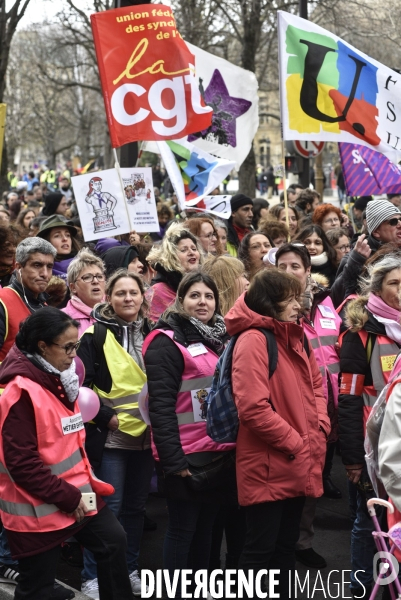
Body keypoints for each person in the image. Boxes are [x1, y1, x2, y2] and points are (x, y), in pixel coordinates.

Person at [0, 308, 133, 600]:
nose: (75, 354)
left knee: (113, 542)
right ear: (42, 346)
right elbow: (21, 465)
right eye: (68, 347)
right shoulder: (21, 392)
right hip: (38, 509)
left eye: (76, 346)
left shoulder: (62, 379)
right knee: (37, 588)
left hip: (75, 494)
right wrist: (68, 497)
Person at [225, 269, 329, 599]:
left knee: (284, 549)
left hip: (295, 458)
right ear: (271, 303)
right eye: (291, 299)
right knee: (259, 553)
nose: (299, 305)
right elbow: (253, 407)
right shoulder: (254, 339)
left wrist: (321, 427)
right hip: (271, 462)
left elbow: (317, 385)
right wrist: (296, 442)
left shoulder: (293, 334)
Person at [143, 272, 235, 599]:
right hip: (185, 455)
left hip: (218, 451)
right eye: (195, 296)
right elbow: (161, 408)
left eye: (208, 296)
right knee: (183, 531)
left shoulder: (218, 337)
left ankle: (202, 590)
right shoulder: (166, 342)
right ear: (181, 300)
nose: (203, 302)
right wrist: (173, 462)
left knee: (207, 528)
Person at [77, 270, 153, 598]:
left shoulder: (156, 332)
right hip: (110, 437)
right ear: (109, 297)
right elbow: (79, 384)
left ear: (142, 296)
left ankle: (130, 569)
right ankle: (93, 576)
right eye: (120, 293)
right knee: (109, 507)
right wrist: (105, 416)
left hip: (147, 436)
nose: (127, 299)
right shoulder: (93, 336)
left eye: (133, 292)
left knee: (136, 508)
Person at [338, 255, 401, 599]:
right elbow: (348, 399)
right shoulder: (360, 335)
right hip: (372, 450)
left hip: (400, 449)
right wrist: (351, 458)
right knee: (369, 523)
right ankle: (362, 589)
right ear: (377, 289)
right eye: (394, 283)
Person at [276, 243, 342, 568]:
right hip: (290, 411)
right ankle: (281, 546)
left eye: (296, 266)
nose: (289, 272)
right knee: (287, 483)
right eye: (282, 266)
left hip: (327, 409)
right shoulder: (271, 309)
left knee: (313, 480)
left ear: (307, 271)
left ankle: (302, 541)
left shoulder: (328, 305)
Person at [0, 237, 56, 360]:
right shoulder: (2, 301)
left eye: (50, 266)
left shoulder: (45, 307)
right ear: (18, 267)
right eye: (37, 265)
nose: (45, 274)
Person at [145, 224, 202, 324]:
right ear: (171, 256)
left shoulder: (203, 284)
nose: (191, 253)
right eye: (183, 250)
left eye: (194, 249)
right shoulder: (158, 291)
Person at [62, 249, 106, 337]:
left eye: (99, 276)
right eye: (87, 277)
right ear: (73, 287)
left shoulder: (115, 312)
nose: (95, 281)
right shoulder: (62, 319)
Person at [36, 215, 81, 282]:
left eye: (67, 235)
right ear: (46, 241)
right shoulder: (38, 271)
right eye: (57, 236)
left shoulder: (87, 264)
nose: (65, 239)